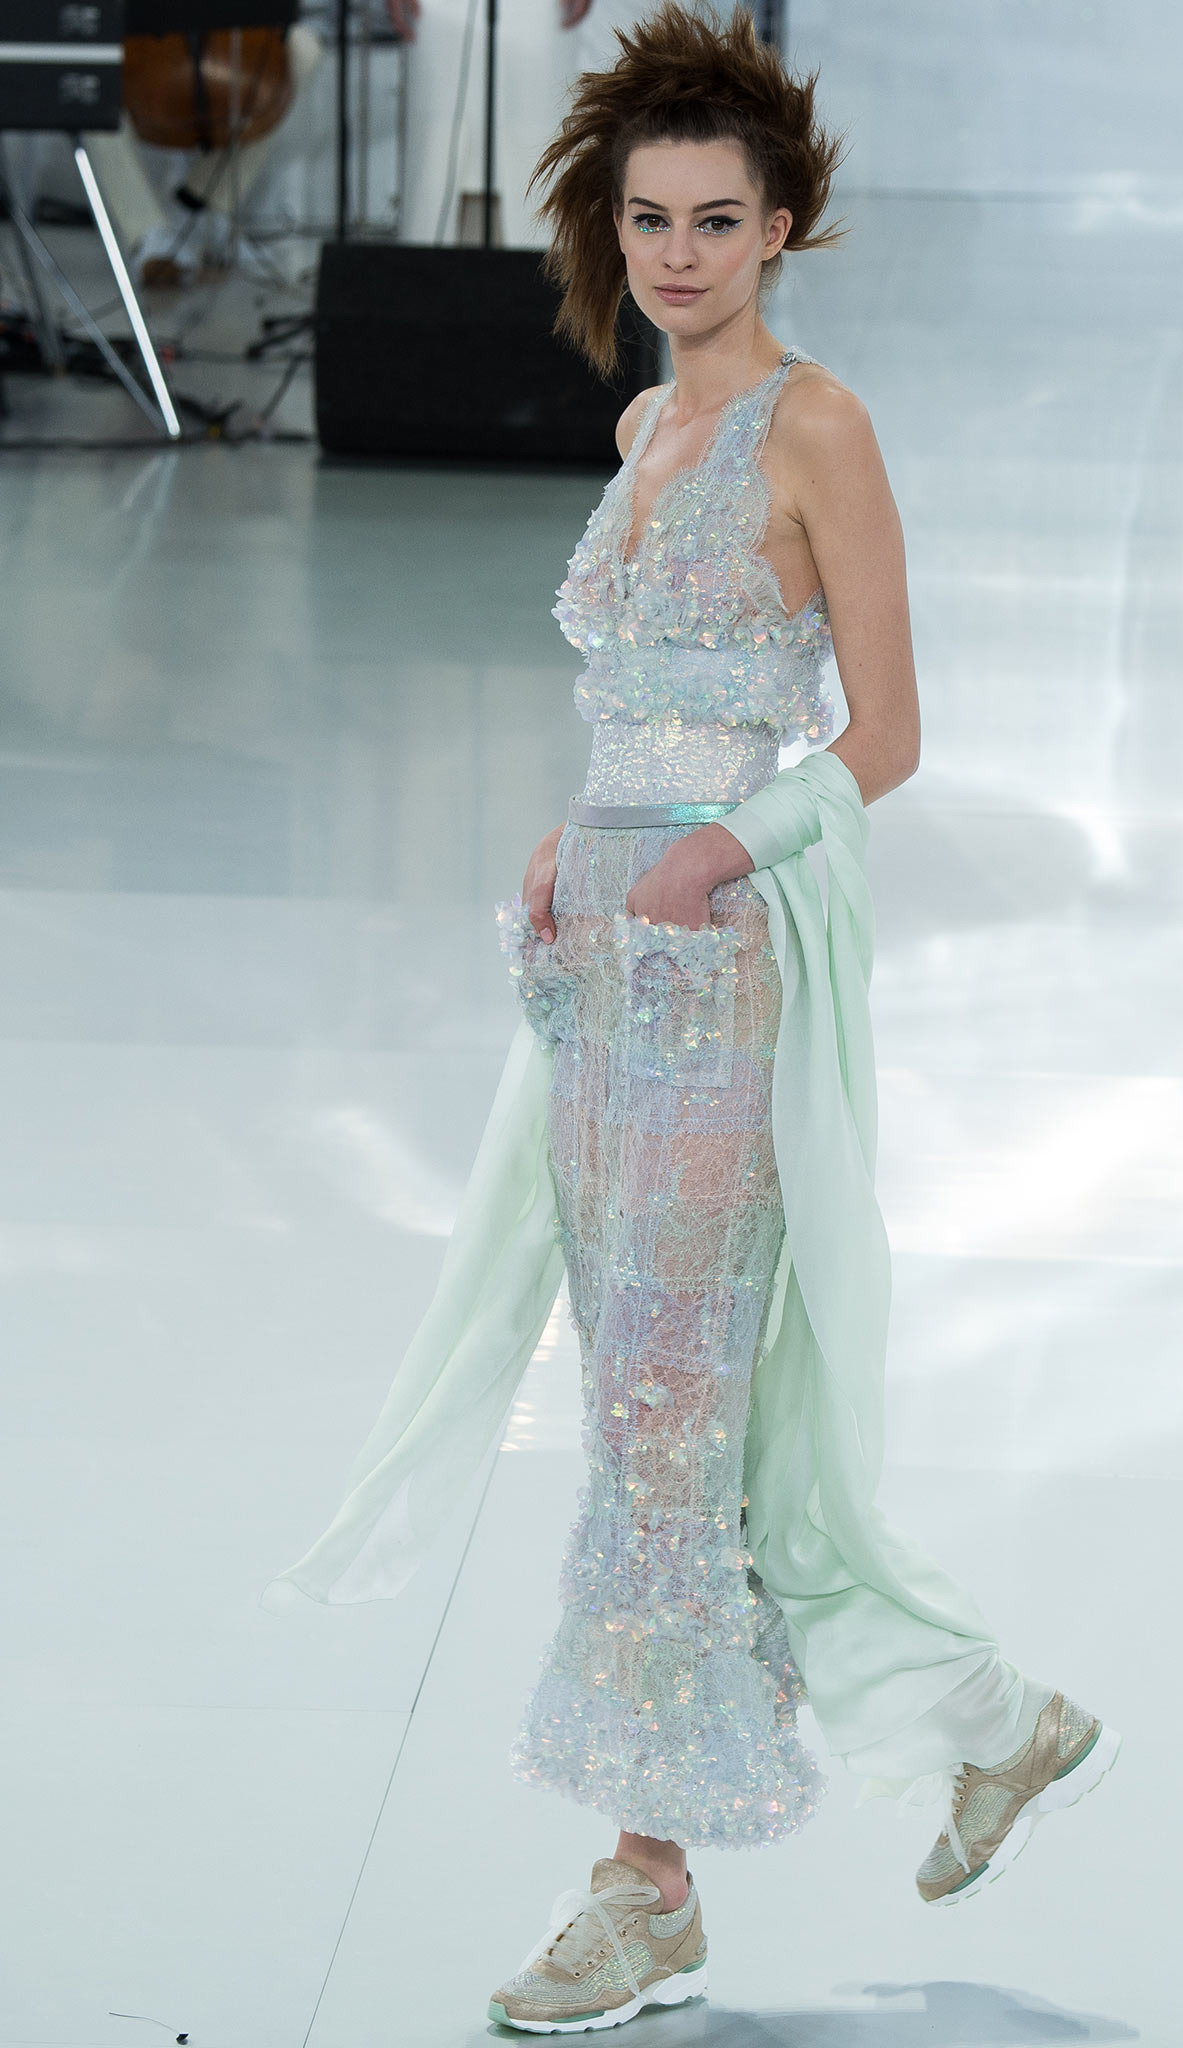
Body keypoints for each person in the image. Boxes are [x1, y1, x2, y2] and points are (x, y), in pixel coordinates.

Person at [262, 6, 1121, 2033]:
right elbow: (637, 712)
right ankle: (987, 1720)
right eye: (647, 219)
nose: (674, 254)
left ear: (778, 227)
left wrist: (722, 843)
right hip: (597, 971)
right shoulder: (645, 431)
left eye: (713, 220)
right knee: (669, 1412)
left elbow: (884, 737)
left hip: (726, 966)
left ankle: (642, 1884)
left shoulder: (817, 430)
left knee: (661, 1412)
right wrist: (571, 847)